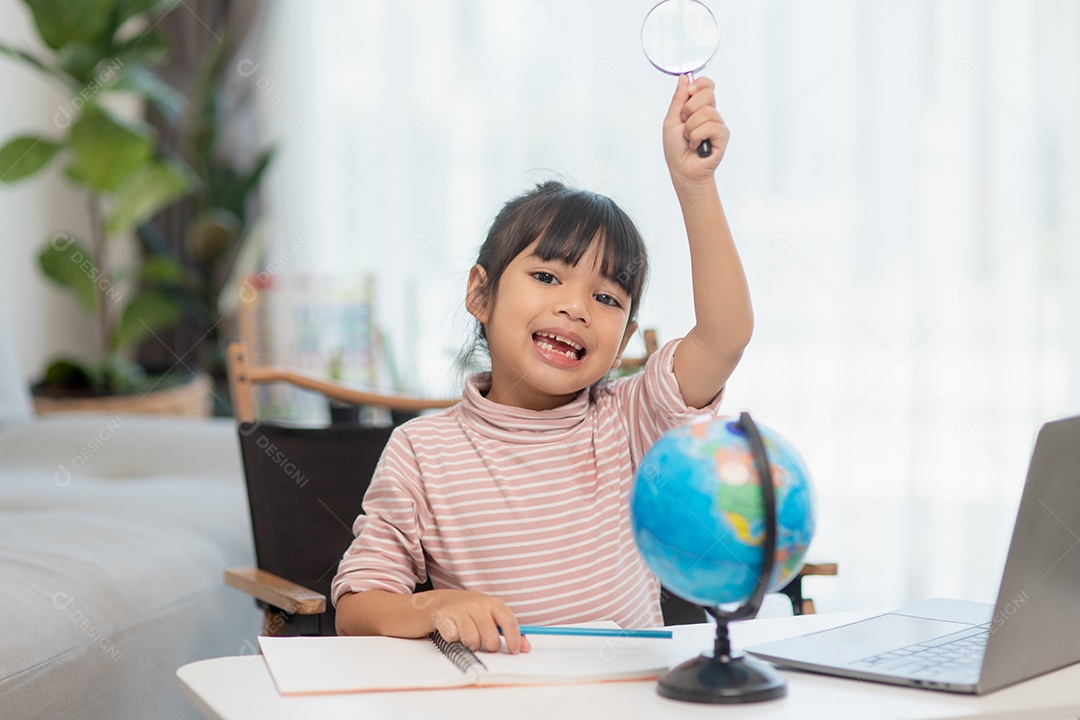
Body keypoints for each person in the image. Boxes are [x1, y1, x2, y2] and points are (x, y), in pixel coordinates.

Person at [333, 75, 753, 655]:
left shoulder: (631, 420)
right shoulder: (420, 453)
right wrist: (434, 605)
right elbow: (357, 607)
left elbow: (725, 337)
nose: (575, 307)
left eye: (606, 298)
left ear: (625, 337)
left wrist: (695, 185)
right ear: (481, 294)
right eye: (547, 276)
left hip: (628, 697)